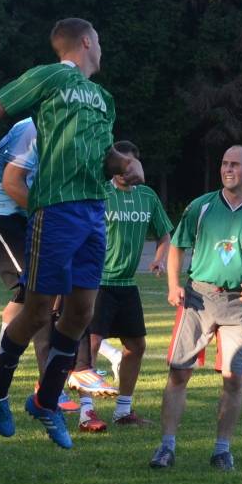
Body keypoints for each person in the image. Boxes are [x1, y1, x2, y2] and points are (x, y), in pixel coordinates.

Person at [0, 18, 143, 450]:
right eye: (99, 41)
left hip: (94, 211)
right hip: (55, 209)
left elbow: (104, 155)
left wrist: (126, 165)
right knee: (37, 310)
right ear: (86, 41)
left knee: (81, 312)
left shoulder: (103, 99)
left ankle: (46, 401)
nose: (102, 49)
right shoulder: (50, 76)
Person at [150, 145, 242, 472]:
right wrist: (173, 285)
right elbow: (177, 246)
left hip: (238, 303)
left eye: (235, 164)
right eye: (225, 163)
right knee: (179, 372)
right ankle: (166, 446)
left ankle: (222, 450)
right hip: (199, 298)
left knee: (233, 379)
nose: (228, 169)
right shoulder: (201, 207)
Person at [77, 140, 173, 432]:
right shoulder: (100, 192)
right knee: (91, 346)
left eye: (129, 164)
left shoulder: (147, 196)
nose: (123, 170)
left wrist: (159, 259)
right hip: (99, 282)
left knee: (136, 346)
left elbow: (164, 234)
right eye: (119, 164)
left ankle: (123, 410)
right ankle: (86, 412)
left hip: (127, 284)